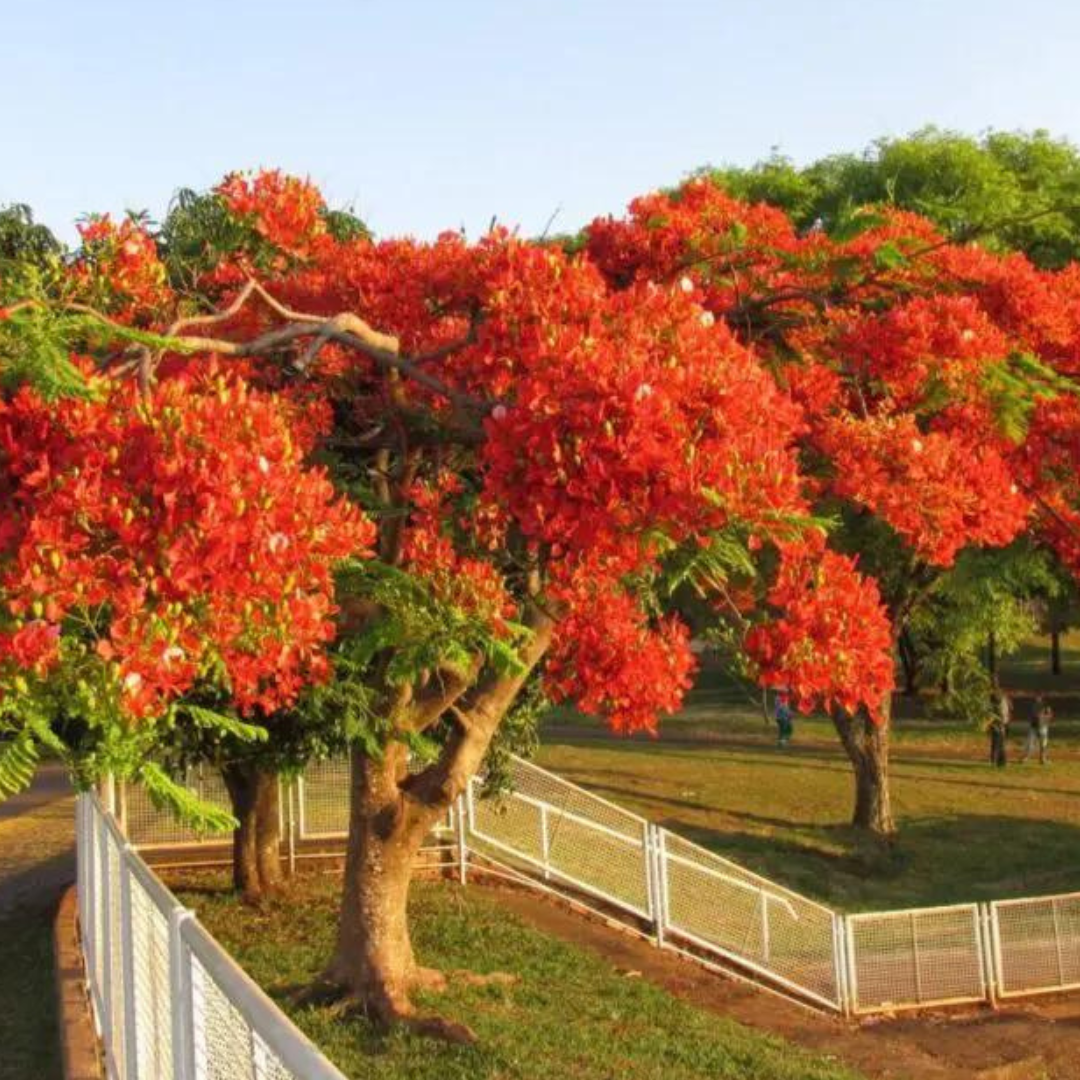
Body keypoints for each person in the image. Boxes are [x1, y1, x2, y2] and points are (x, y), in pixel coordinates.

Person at [1023, 694, 1053, 765]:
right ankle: (1026, 758)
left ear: (1041, 699)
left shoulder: (1045, 706)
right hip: (1034, 727)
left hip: (1043, 727)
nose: (1037, 698)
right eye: (1036, 697)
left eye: (1038, 697)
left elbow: (1050, 716)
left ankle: (1043, 759)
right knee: (1030, 743)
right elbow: (1030, 716)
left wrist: (1044, 718)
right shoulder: (1033, 706)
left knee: (1043, 744)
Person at [988, 689, 1011, 768]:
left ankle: (998, 762)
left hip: (998, 726)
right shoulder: (999, 705)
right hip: (998, 726)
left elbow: (1002, 716)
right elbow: (1001, 717)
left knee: (997, 744)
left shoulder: (999, 704)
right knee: (999, 745)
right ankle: (998, 762)